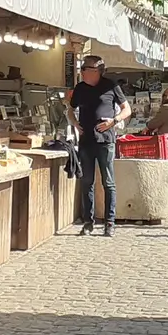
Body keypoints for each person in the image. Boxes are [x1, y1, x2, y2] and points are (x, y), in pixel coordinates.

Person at [68, 55, 129, 235]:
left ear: (96, 71)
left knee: (108, 182)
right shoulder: (80, 88)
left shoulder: (110, 86)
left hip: (106, 140)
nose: (82, 72)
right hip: (86, 140)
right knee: (87, 182)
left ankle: (109, 222)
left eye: (85, 68)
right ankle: (88, 222)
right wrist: (74, 123)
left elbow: (127, 109)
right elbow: (70, 109)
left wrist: (114, 121)